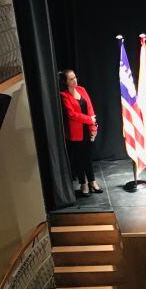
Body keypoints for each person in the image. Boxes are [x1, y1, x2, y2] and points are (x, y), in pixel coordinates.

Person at [58, 69, 101, 197]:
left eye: (75, 77)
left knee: (87, 158)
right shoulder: (64, 95)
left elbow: (90, 109)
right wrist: (89, 120)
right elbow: (71, 114)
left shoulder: (81, 89)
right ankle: (83, 184)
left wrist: (93, 127)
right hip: (75, 133)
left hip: (87, 130)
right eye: (71, 79)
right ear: (65, 82)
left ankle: (92, 182)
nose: (74, 80)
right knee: (79, 160)